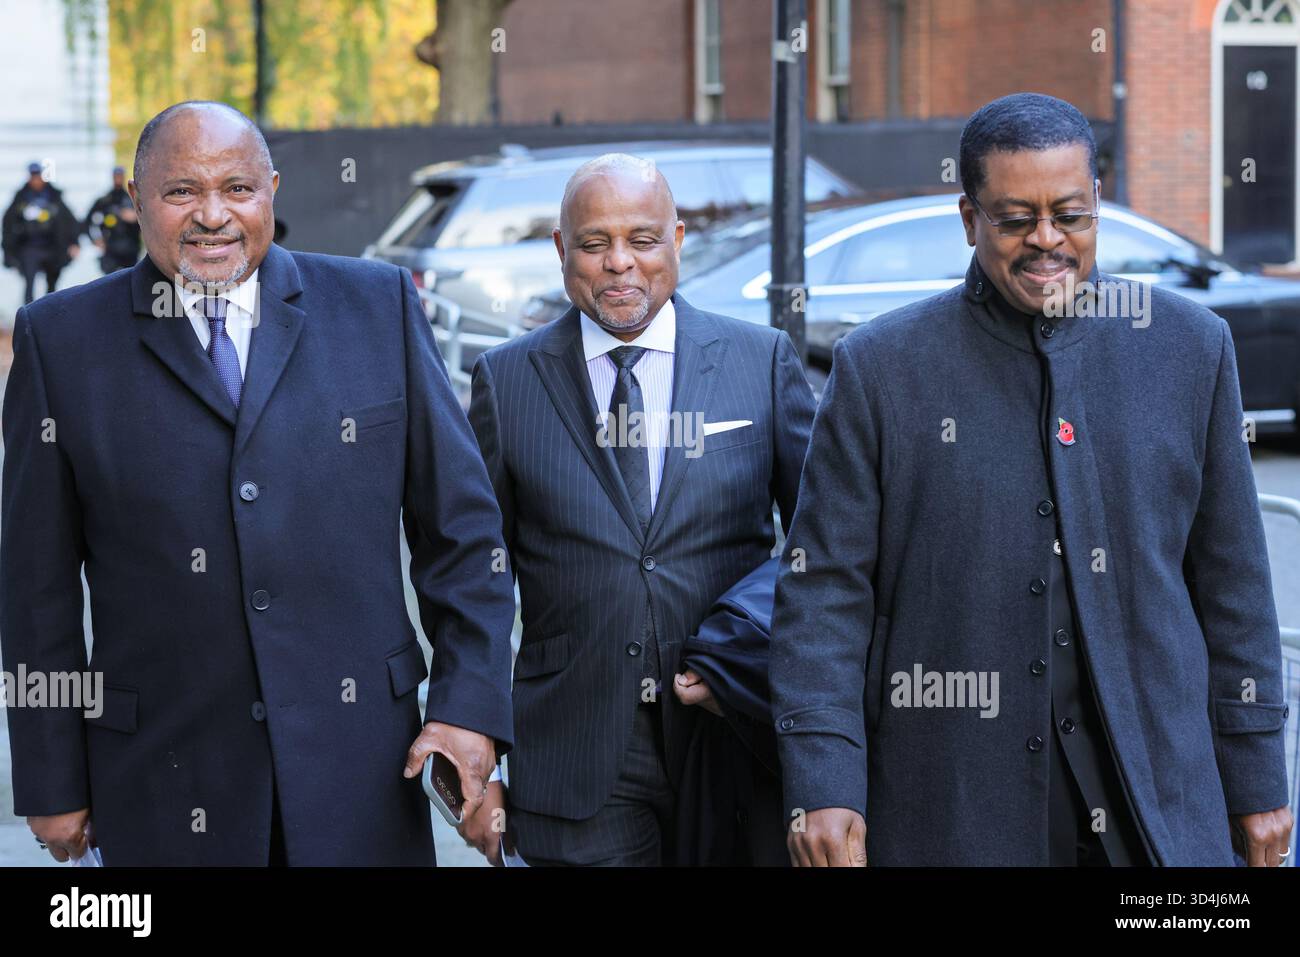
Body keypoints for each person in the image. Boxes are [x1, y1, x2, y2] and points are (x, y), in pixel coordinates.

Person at [769, 93, 1294, 867]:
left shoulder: (1191, 347)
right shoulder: (881, 367)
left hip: (1160, 792)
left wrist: (1257, 776)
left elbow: (1235, 583)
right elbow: (824, 593)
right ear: (968, 217)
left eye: (1069, 215)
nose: (1046, 241)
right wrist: (824, 775)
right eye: (1016, 218)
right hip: (953, 801)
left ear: (1098, 206)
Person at [1, 101, 515, 866]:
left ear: (272, 190)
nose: (213, 215)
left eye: (238, 187)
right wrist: (49, 776)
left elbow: (465, 539)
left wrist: (468, 709)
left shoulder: (378, 308)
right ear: (137, 201)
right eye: (180, 192)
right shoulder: (61, 339)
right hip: (162, 784)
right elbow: (34, 587)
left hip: (362, 778)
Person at [457, 154, 816, 865]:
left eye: (643, 239)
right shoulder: (506, 381)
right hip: (575, 752)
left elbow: (825, 541)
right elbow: (476, 578)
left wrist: (742, 651)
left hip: (731, 730)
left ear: (677, 239)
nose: (620, 263)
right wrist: (480, 758)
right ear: (563, 251)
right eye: (594, 243)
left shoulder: (761, 359)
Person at [2, 162, 81, 303]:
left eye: (38, 176)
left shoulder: (54, 196)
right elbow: (8, 222)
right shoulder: (21, 197)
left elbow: (69, 220)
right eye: (33, 176)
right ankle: (28, 318)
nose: (36, 180)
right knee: (29, 284)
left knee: (52, 285)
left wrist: (74, 242)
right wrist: (9, 250)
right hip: (29, 247)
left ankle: (49, 316)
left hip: (51, 247)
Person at [83, 166, 141, 273]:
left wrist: (136, 217)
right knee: (110, 283)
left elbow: (149, 220)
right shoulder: (105, 201)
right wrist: (95, 240)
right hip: (111, 249)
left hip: (130, 249)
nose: (118, 178)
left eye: (120, 176)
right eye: (116, 176)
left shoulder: (132, 199)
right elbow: (86, 222)